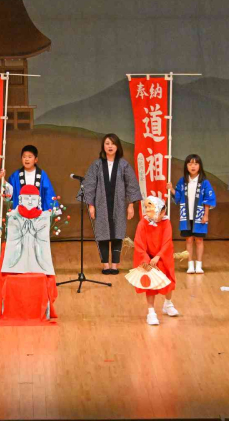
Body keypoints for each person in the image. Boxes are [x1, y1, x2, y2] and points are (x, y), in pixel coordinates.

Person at [83, 133, 143, 275]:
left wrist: (130, 205)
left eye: (113, 143)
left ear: (118, 146)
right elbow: (90, 185)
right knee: (102, 234)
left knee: (118, 233)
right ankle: (105, 265)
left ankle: (114, 265)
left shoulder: (123, 165)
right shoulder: (97, 164)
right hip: (101, 204)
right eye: (107, 143)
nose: (110, 146)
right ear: (103, 146)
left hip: (119, 205)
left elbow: (131, 185)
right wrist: (91, 205)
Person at [133, 196, 179, 325]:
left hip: (163, 256)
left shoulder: (166, 222)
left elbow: (167, 241)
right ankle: (151, 312)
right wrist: (147, 259)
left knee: (168, 281)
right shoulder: (143, 223)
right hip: (148, 258)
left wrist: (159, 256)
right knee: (150, 285)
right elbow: (139, 243)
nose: (163, 214)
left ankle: (168, 304)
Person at [167, 154, 216, 274]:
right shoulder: (183, 181)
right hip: (186, 215)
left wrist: (206, 215)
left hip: (199, 215)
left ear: (200, 166)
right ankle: (190, 264)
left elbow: (209, 199)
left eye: (195, 164)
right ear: (186, 166)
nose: (193, 166)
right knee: (188, 240)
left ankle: (199, 264)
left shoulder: (204, 182)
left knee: (199, 240)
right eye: (190, 164)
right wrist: (172, 189)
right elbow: (178, 197)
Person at [0, 145, 57, 211]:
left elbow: (48, 194)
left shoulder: (42, 175)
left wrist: (51, 210)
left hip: (38, 214)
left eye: (30, 157)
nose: (26, 159)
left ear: (36, 159)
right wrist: (2, 179)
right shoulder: (15, 175)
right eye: (24, 157)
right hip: (20, 214)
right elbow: (9, 194)